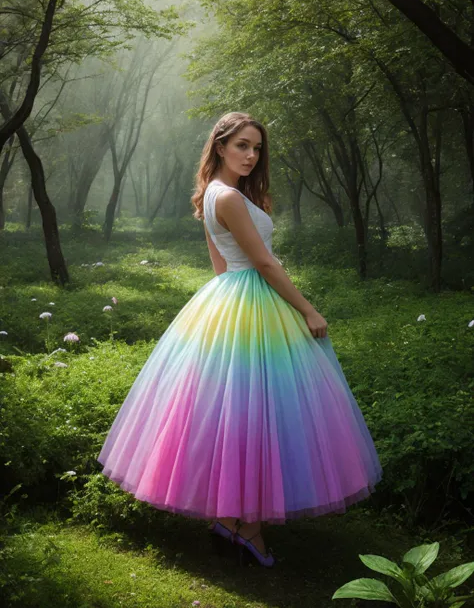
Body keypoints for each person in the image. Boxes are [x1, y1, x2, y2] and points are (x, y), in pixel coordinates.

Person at [96, 111, 383, 569]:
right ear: (220, 146)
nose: (250, 155)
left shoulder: (211, 193)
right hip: (251, 297)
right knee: (258, 413)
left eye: (256, 148)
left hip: (229, 298)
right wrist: (307, 309)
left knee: (240, 414)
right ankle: (246, 527)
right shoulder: (227, 197)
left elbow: (219, 266)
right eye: (242, 146)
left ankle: (234, 522)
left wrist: (226, 309)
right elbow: (265, 265)